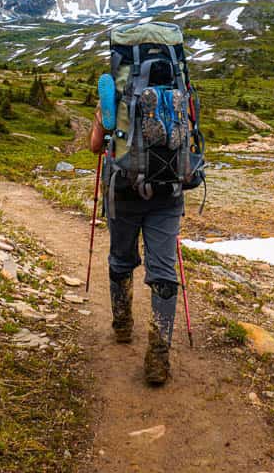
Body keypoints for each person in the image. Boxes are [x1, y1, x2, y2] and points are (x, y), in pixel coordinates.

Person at [89, 99, 183, 385]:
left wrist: (103, 119)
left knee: (121, 258)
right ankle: (158, 356)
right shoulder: (178, 89)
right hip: (168, 193)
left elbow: (95, 146)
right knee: (164, 272)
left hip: (122, 192)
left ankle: (122, 325)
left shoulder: (116, 91)